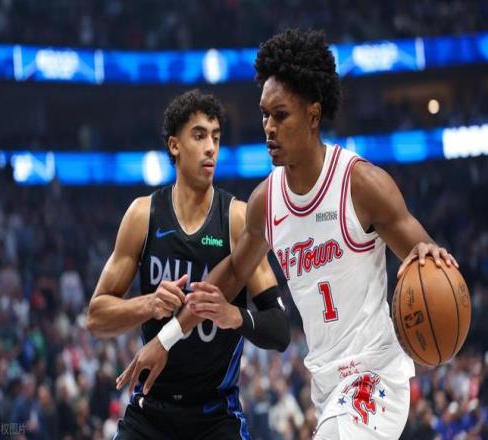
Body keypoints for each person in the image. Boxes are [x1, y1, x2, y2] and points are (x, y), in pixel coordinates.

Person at [116, 30, 461, 439]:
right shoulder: (266, 201)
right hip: (328, 387)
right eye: (265, 115)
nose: (269, 127)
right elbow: (230, 276)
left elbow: (425, 255)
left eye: (281, 115)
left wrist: (431, 256)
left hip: (376, 377)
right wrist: (166, 339)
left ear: (313, 115)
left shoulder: (361, 185)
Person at [87, 89, 290, 440]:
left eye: (216, 137)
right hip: (151, 410)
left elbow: (280, 329)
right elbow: (96, 317)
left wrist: (234, 315)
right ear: (174, 145)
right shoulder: (143, 215)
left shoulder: (236, 219)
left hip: (215, 414)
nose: (211, 147)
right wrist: (149, 304)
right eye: (199, 135)